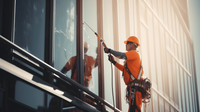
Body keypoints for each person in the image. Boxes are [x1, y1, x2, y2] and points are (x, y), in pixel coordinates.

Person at [104, 36, 143, 112]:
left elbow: (122, 55)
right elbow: (124, 70)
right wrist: (114, 62)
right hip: (133, 89)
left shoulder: (134, 53)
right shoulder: (132, 58)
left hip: (135, 90)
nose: (126, 45)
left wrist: (110, 50)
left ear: (134, 45)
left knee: (135, 109)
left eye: (128, 43)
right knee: (132, 109)